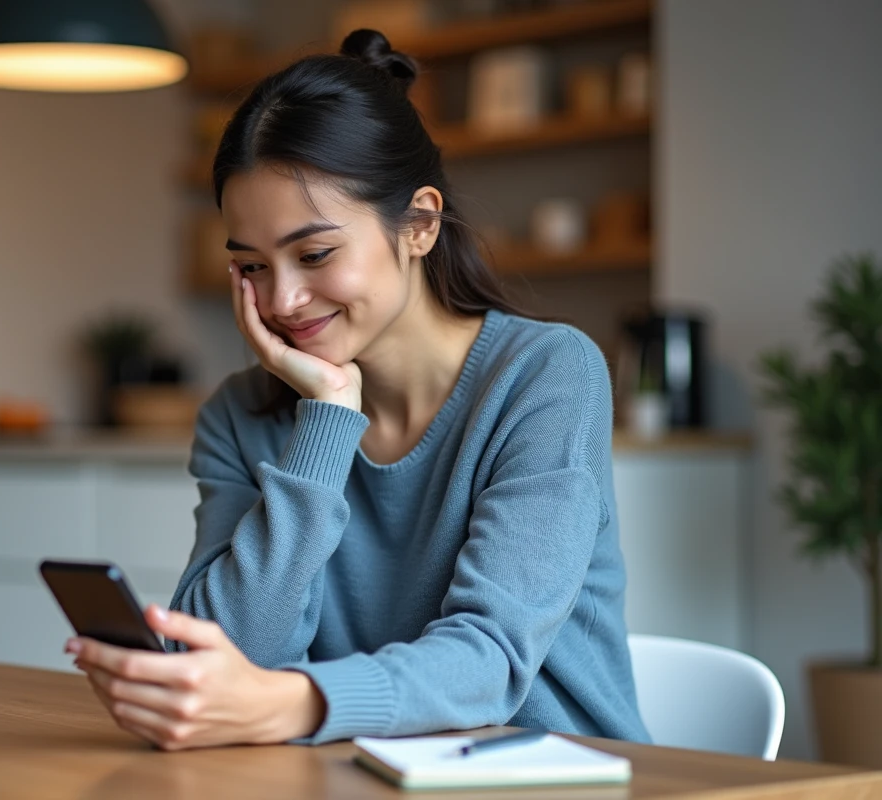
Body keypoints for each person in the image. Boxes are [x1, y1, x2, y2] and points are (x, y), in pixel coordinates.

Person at [67, 29, 650, 751]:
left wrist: (298, 704)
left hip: (556, 775)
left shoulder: (545, 375)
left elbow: (491, 659)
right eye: (251, 267)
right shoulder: (238, 416)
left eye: (314, 254)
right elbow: (224, 657)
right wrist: (325, 422)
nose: (281, 300)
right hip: (351, 776)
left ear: (420, 224)